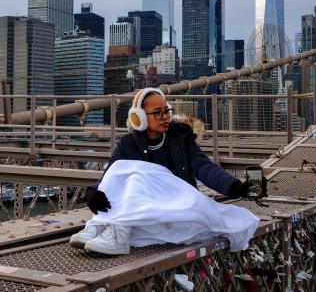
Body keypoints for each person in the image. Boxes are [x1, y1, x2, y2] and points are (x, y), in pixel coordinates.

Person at [69, 87, 257, 254]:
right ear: (139, 117)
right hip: (146, 215)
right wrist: (95, 190)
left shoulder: (181, 139)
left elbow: (204, 167)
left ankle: (118, 232)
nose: (165, 117)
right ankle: (99, 225)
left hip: (178, 211)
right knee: (120, 168)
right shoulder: (128, 143)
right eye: (157, 113)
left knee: (139, 174)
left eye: (166, 111)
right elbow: (112, 172)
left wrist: (235, 187)